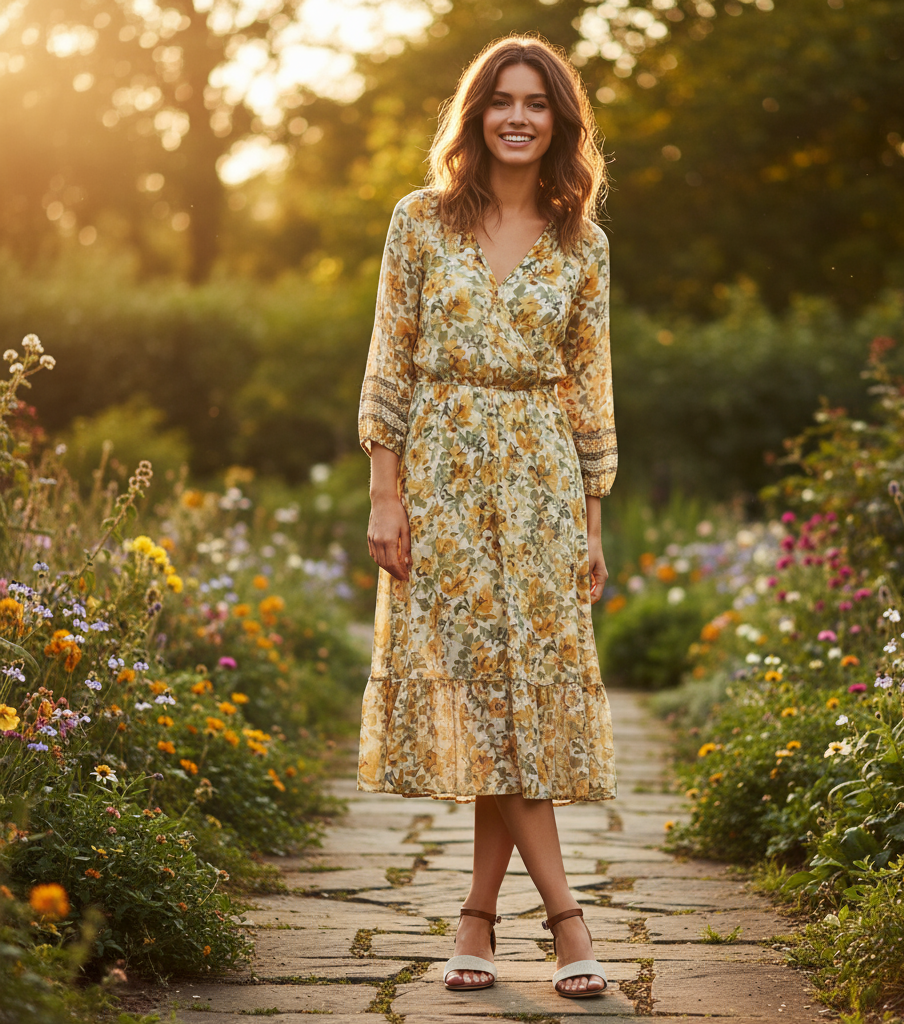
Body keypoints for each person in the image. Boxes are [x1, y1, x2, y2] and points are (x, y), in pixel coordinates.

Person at [356, 34, 617, 999]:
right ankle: (566, 922)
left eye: (536, 103)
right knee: (478, 697)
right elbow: (391, 364)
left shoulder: (583, 242)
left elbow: (590, 389)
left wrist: (592, 523)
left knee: (525, 704)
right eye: (501, 100)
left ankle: (476, 919)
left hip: (544, 485)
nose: (517, 116)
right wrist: (387, 495)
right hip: (444, 486)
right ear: (476, 115)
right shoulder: (419, 222)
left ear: (560, 122)